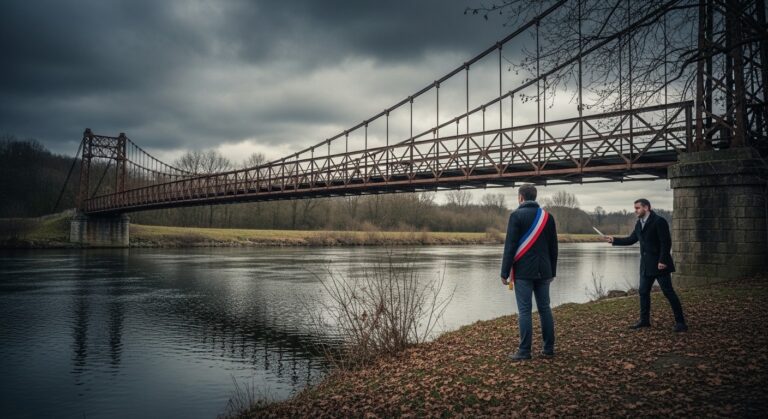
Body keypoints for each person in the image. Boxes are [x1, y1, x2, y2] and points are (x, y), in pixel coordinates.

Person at [604, 198, 688, 332]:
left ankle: (681, 323)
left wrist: (663, 261)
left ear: (646, 207)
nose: (635, 210)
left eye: (637, 208)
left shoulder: (659, 221)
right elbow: (631, 240)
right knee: (643, 292)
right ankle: (644, 321)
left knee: (668, 293)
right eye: (635, 208)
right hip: (645, 266)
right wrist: (614, 240)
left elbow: (666, 243)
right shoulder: (639, 223)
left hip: (660, 265)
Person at [500, 184, 558, 361]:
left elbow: (510, 246)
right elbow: (553, 247)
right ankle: (548, 349)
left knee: (525, 311)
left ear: (520, 197)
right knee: (545, 309)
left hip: (524, 272)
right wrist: (552, 271)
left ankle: (525, 351)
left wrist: (504, 272)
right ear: (534, 196)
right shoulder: (548, 217)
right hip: (545, 271)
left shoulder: (516, 216)